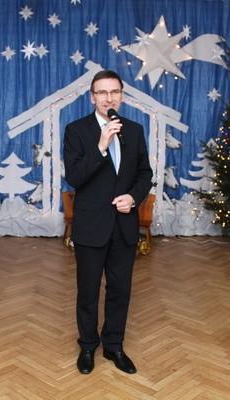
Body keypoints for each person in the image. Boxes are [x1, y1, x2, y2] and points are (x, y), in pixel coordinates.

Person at [63, 70, 153, 374]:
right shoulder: (76, 131)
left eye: (114, 92)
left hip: (124, 226)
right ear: (92, 97)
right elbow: (75, 177)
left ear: (122, 96)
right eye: (102, 92)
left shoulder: (135, 130)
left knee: (120, 290)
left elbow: (145, 174)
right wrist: (101, 146)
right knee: (88, 291)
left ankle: (114, 346)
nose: (108, 98)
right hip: (91, 226)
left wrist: (134, 198)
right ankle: (88, 345)